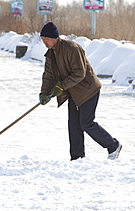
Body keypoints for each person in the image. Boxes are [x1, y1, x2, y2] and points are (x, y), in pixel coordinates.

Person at [39, 22, 122, 161]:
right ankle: (77, 158)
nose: (44, 42)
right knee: (73, 126)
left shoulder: (72, 48)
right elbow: (48, 76)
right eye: (42, 39)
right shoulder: (50, 55)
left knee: (86, 123)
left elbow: (80, 73)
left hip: (88, 90)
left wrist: (61, 86)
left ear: (55, 37)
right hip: (73, 92)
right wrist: (44, 93)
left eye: (46, 39)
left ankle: (113, 145)